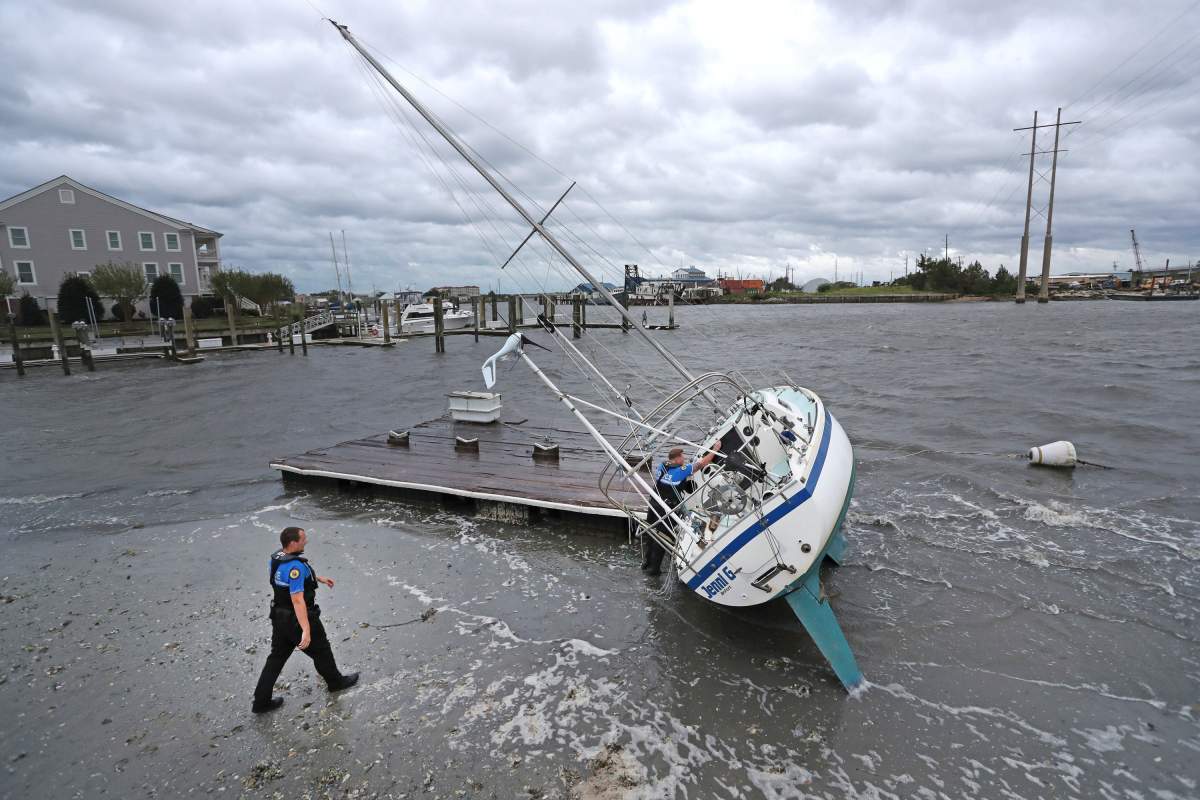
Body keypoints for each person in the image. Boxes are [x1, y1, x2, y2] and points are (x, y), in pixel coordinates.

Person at [251, 526, 359, 714]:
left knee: (275, 658)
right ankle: (336, 683)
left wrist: (319, 578)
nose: (306, 541)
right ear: (293, 543)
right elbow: (298, 600)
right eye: (303, 539)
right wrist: (306, 630)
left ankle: (260, 702)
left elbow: (288, 580)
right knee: (322, 651)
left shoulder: (276, 558)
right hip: (297, 618)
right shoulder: (296, 567)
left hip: (279, 616)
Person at [641, 442, 721, 575]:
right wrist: (715, 449)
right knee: (663, 537)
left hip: (654, 503)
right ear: (677, 458)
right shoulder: (680, 471)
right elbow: (702, 464)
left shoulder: (663, 466)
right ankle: (655, 570)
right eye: (682, 457)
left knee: (652, 532)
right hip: (667, 508)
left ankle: (646, 563)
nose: (683, 459)